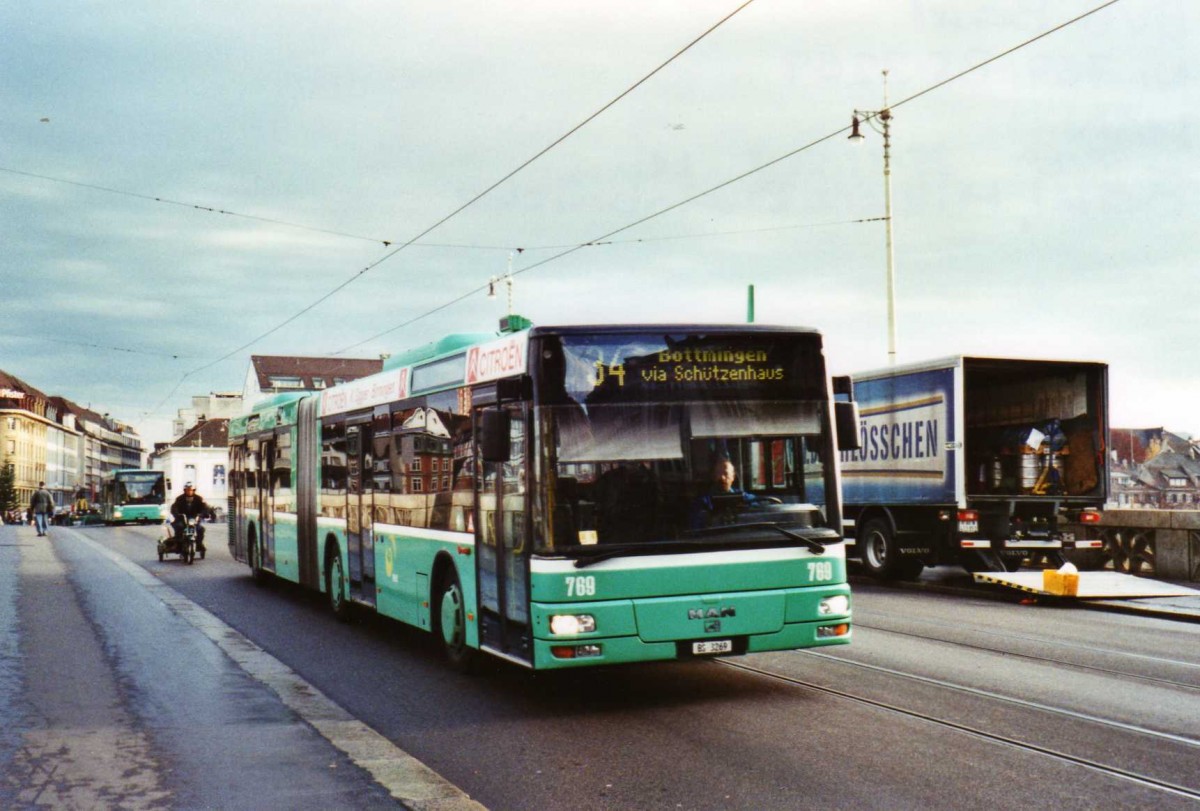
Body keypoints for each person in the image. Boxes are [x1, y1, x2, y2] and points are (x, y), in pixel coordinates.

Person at [689, 458, 758, 529]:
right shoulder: (702, 502)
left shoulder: (744, 497)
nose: (722, 477)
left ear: (733, 476)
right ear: (713, 476)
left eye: (726, 473)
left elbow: (760, 505)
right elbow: (696, 526)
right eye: (718, 473)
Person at [170, 482, 212, 553]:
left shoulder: (199, 499)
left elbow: (205, 507)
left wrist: (203, 514)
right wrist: (177, 514)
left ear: (194, 490)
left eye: (191, 490)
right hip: (182, 518)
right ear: (185, 490)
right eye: (187, 490)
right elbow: (174, 507)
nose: (189, 491)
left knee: (200, 529)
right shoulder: (179, 499)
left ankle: (199, 544)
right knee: (179, 527)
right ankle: (179, 545)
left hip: (194, 518)